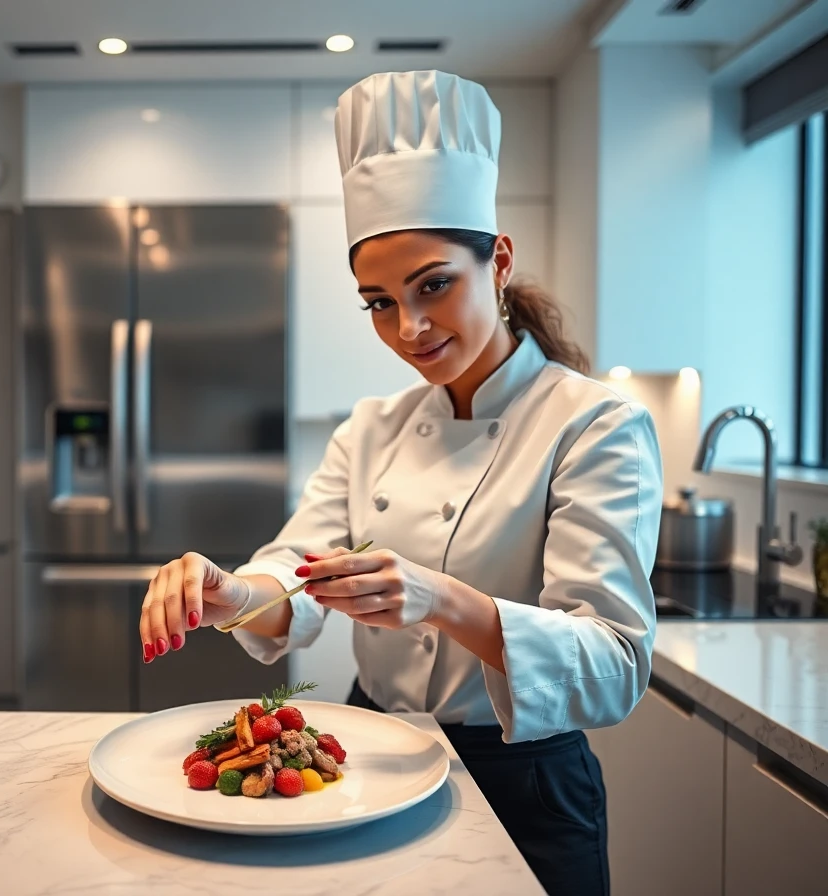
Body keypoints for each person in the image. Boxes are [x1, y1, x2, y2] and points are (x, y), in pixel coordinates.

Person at [138, 70, 661, 896]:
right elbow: (298, 575)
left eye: (433, 285)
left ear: (499, 261)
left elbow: (614, 662)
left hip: (526, 784)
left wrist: (439, 598)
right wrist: (232, 594)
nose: (409, 327)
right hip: (374, 759)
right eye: (378, 302)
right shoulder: (374, 424)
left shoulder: (593, 422)